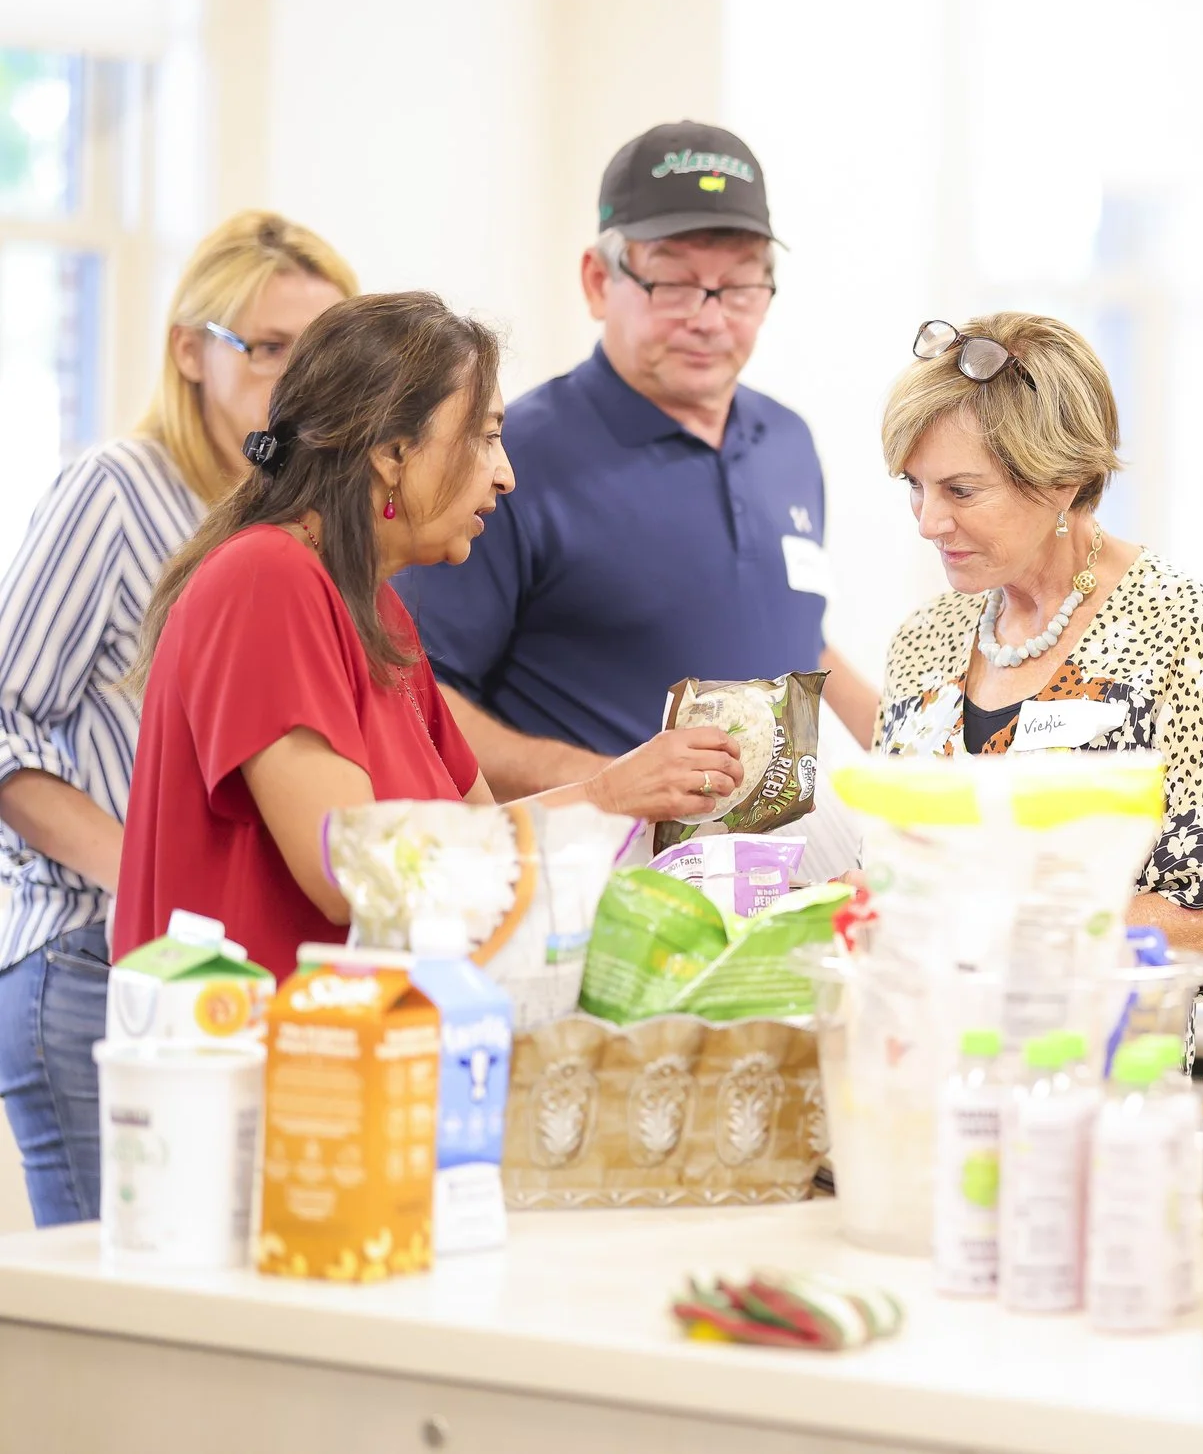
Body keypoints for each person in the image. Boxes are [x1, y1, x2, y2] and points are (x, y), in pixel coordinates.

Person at [114, 292, 750, 979]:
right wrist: (601, 796)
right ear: (393, 453)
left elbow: (479, 839)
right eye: (484, 437)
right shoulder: (267, 577)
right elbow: (347, 869)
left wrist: (629, 799)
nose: (505, 474)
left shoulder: (381, 614)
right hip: (253, 1053)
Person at [0, 211, 355, 1227]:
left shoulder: (294, 521)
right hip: (90, 956)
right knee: (122, 1316)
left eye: (318, 350)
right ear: (189, 350)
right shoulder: (114, 492)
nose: (294, 377)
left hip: (224, 972)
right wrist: (144, 874)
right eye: (268, 345)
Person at [396, 121, 877, 802]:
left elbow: (792, 624)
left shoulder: (789, 442)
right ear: (598, 280)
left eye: (739, 286)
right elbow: (416, 696)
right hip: (600, 880)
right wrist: (605, 783)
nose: (709, 319)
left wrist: (898, 738)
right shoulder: (508, 457)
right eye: (674, 284)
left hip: (776, 880)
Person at [874, 314, 1203, 995]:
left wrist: (1001, 931)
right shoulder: (924, 640)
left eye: (960, 489)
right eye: (914, 486)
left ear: (1060, 481)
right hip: (928, 1068)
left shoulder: (1180, 629)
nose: (929, 521)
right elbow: (897, 878)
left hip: (1101, 1077)